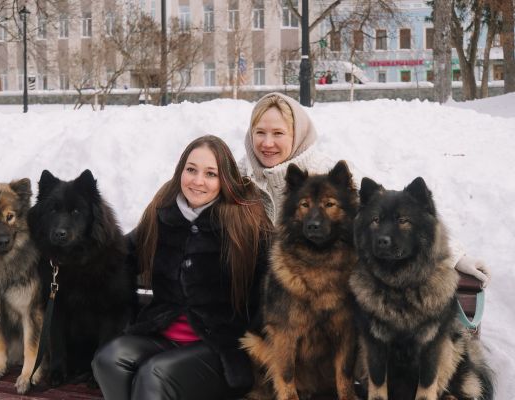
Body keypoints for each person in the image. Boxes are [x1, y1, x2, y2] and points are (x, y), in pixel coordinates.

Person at [239, 92, 491, 285]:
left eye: (278, 133)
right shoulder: (242, 175)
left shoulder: (328, 173)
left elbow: (389, 208)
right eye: (260, 132)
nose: (267, 143)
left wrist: (456, 256)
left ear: (296, 135)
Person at [92, 135, 272, 400]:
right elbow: (119, 255)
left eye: (211, 174)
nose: (198, 181)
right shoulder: (163, 215)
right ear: (180, 171)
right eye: (191, 170)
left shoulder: (244, 223)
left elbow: (276, 279)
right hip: (162, 335)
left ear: (224, 180)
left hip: (219, 349)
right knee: (109, 360)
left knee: (154, 375)